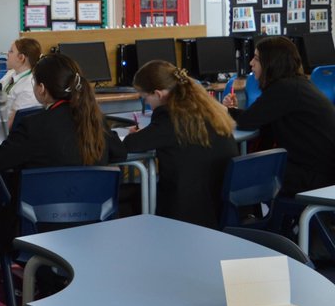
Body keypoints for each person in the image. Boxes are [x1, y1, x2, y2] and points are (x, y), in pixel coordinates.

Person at [0, 53, 126, 249]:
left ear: (41, 89)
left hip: (36, 233)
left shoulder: (33, 125)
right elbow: (120, 153)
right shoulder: (94, 122)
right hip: (93, 230)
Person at [125, 60, 237, 229]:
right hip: (219, 205)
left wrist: (140, 134)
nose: (147, 103)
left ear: (158, 94)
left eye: (145, 98)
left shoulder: (169, 116)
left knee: (132, 196)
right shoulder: (207, 108)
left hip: (187, 213)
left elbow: (130, 144)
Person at [223, 36, 335, 195]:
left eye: (256, 59)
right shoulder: (296, 84)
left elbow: (246, 121)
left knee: (236, 174)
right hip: (321, 170)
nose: (251, 64)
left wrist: (222, 111)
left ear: (271, 63)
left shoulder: (284, 88)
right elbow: (259, 117)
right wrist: (232, 110)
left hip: (314, 177)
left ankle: (248, 217)